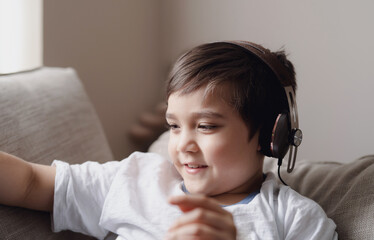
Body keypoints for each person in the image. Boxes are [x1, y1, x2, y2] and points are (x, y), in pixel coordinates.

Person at [0, 41, 338, 240]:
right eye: (174, 126)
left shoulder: (294, 219)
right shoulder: (137, 179)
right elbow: (31, 183)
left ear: (270, 136)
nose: (183, 144)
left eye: (205, 126)